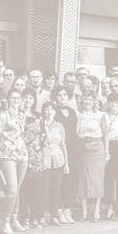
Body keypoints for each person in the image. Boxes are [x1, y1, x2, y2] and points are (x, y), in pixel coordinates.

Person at [0, 89, 28, 233]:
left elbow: (21, 134)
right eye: (13, 98)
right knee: (12, 189)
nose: (16, 100)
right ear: (8, 99)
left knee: (17, 189)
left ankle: (15, 219)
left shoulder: (22, 115)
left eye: (18, 98)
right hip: (7, 153)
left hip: (22, 153)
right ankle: (6, 220)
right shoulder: (2, 115)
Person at [77, 93, 108, 221]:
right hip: (83, 148)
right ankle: (84, 211)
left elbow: (106, 134)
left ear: (95, 101)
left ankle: (96, 210)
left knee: (97, 179)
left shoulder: (100, 115)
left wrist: (107, 151)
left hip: (97, 149)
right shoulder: (79, 115)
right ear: (82, 101)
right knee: (83, 178)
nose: (88, 101)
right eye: (86, 99)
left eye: (91, 99)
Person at [19, 90, 47, 228]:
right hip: (21, 154)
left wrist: (38, 146)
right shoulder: (18, 115)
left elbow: (43, 135)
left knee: (36, 188)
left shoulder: (38, 116)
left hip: (36, 155)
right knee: (23, 187)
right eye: (25, 97)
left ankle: (34, 217)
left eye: (31, 98)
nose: (28, 100)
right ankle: (24, 217)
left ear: (34, 100)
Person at [40, 101, 69, 226]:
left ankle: (54, 216)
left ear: (55, 111)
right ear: (43, 111)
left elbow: (63, 144)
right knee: (44, 188)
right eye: (47, 109)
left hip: (58, 158)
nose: (49, 112)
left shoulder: (59, 126)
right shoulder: (40, 124)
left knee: (56, 188)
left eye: (51, 109)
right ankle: (41, 216)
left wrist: (66, 163)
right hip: (44, 158)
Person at [53, 86, 78, 223]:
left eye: (64, 95)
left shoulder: (72, 112)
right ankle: (59, 210)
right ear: (55, 97)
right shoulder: (54, 112)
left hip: (73, 150)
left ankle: (68, 209)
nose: (62, 97)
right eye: (59, 95)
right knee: (59, 180)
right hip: (59, 149)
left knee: (70, 180)